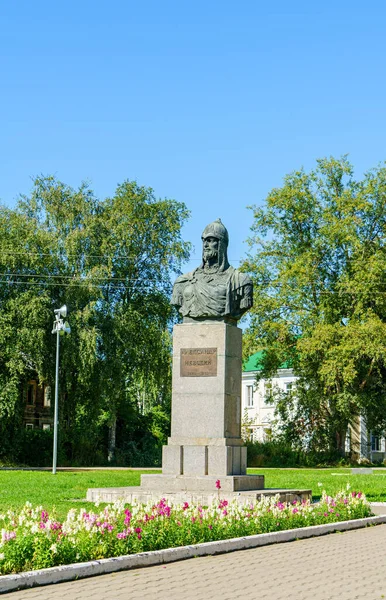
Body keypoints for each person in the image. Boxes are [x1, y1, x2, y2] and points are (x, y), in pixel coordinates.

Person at [171, 219, 253, 323]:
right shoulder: (183, 281)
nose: (205, 245)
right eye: (204, 240)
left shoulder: (241, 281)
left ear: (221, 244)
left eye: (210, 240)